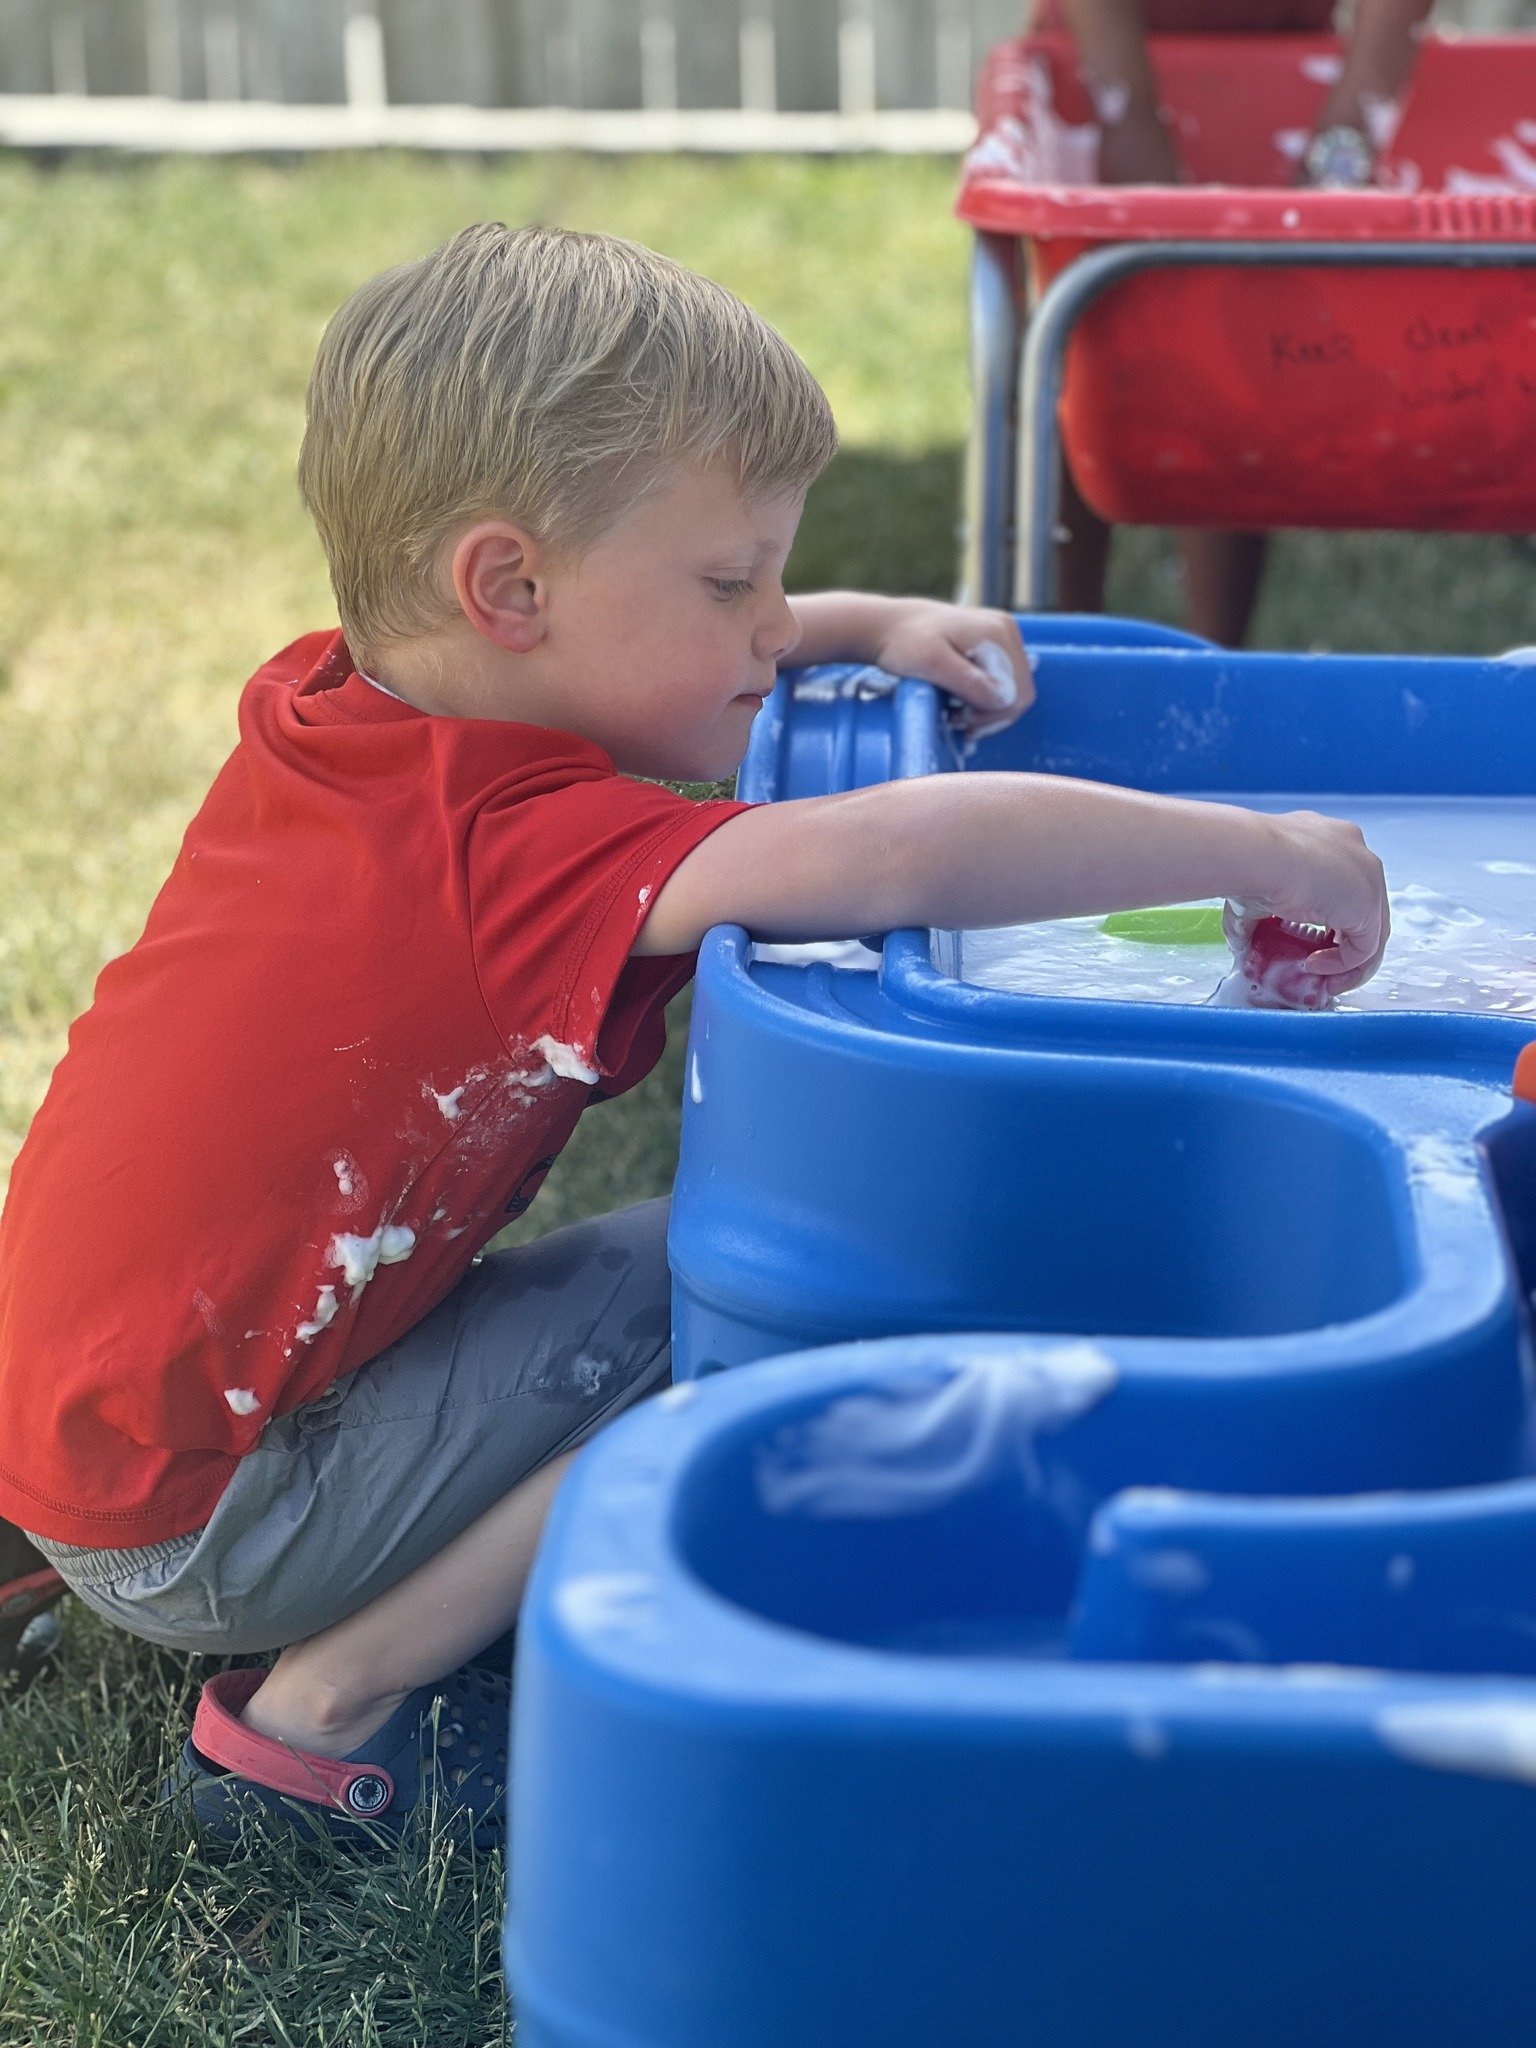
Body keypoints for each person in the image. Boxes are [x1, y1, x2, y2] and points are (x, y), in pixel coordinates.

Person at [0, 224, 1388, 1846]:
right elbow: (903, 851)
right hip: (220, 1510)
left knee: (701, 1256)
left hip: (87, 1403)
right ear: (507, 587)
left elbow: (705, 673)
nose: (765, 623)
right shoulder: (511, 858)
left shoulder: (347, 716)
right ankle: (321, 1707)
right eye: (734, 583)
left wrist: (854, 625)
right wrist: (1255, 851)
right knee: (771, 1312)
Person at [1037, 0, 1435, 644]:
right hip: (1098, 42)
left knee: (1242, 350)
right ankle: (1057, 648)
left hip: (1276, 50)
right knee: (1082, 355)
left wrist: (1348, 130)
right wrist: (1130, 114)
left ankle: (1217, 659)